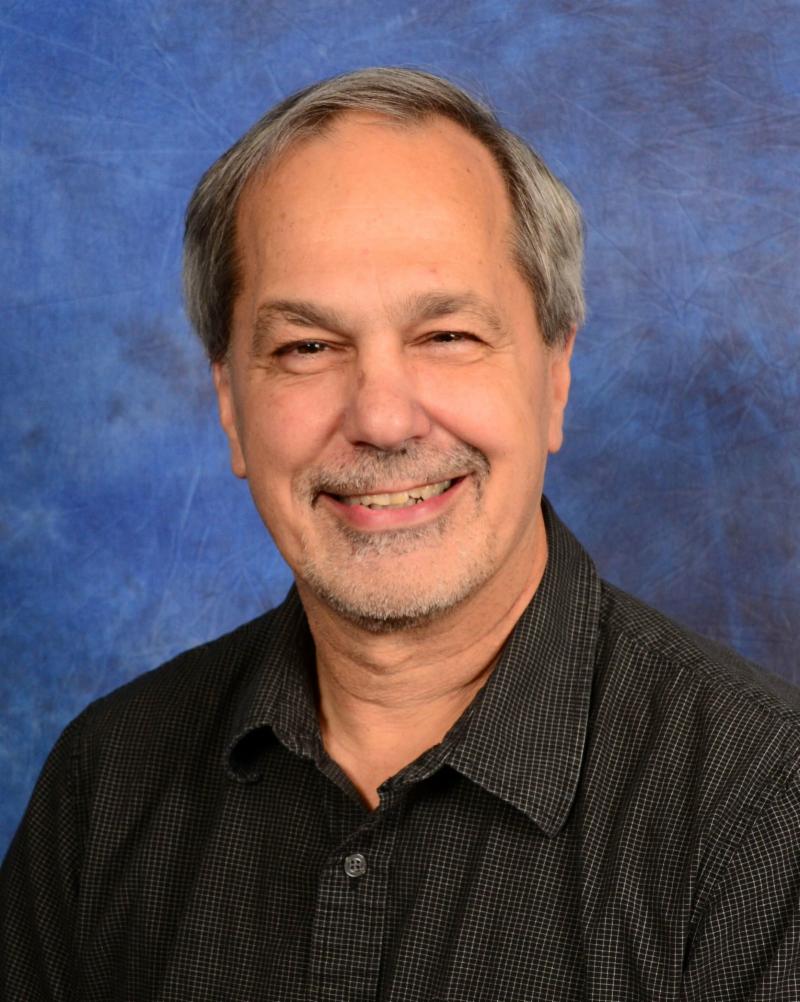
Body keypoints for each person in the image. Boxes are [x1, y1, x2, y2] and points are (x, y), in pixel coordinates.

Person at [2, 67, 798, 1001]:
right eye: (307, 347)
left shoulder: (764, 813)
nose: (382, 419)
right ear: (230, 405)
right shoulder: (105, 785)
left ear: (555, 375)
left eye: (448, 336)